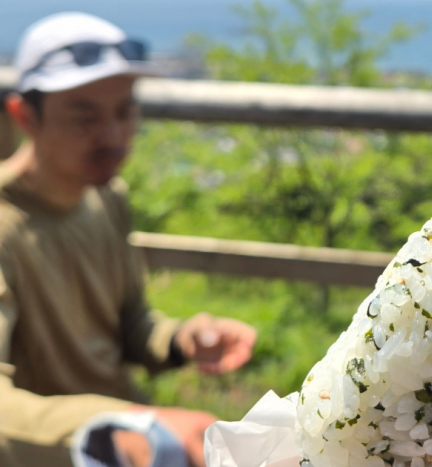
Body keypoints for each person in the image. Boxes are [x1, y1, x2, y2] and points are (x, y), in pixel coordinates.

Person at [0, 12, 257, 467]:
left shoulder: (107, 197)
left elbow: (130, 323)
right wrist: (126, 428)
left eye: (125, 110)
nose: (114, 136)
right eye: (84, 117)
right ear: (24, 116)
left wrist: (183, 340)